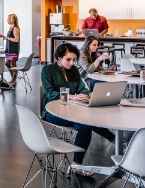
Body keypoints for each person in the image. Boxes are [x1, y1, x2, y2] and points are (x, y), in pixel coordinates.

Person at [41, 43, 115, 175]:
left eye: (74, 59)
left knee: (88, 120)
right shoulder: (48, 70)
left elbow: (83, 87)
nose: (72, 63)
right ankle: (112, 140)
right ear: (58, 57)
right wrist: (73, 97)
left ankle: (77, 164)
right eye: (68, 59)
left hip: (72, 109)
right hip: (52, 111)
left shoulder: (73, 70)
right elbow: (50, 93)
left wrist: (88, 95)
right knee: (85, 126)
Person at [0, 14, 20, 87]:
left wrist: (7, 38)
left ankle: (14, 80)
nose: (7, 20)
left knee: (13, 65)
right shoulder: (11, 28)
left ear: (13, 20)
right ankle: (13, 79)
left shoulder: (15, 28)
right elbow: (9, 37)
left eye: (9, 19)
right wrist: (5, 37)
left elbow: (16, 39)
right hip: (9, 48)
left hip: (13, 49)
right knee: (7, 63)